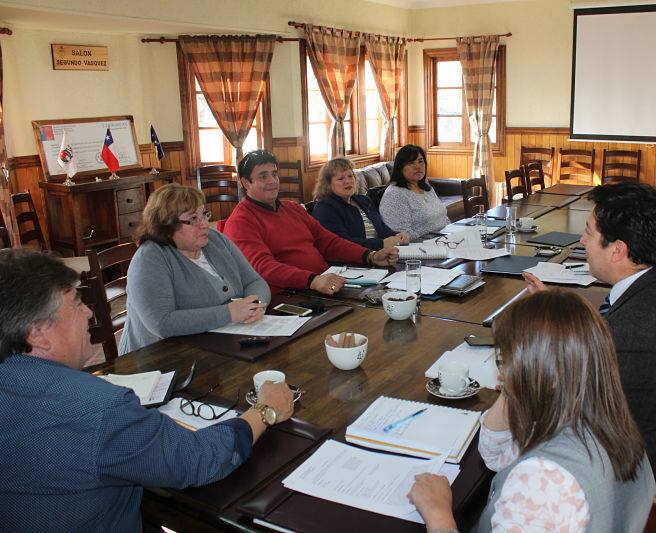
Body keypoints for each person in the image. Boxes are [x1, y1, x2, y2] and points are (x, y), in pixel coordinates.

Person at [0, 248, 294, 532]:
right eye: (76, 302)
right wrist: (264, 411)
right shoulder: (97, 409)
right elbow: (197, 460)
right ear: (37, 334)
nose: (89, 312)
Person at [408, 290, 656, 532]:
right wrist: (515, 384)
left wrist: (438, 513)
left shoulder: (543, 480)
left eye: (505, 362)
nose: (501, 373)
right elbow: (495, 456)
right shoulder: (602, 418)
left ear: (548, 375)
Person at [524, 182, 656, 490]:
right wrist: (562, 311)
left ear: (618, 249)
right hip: (642, 436)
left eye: (589, 233)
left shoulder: (634, 333)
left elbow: (562, 403)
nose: (582, 241)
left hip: (617, 471)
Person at [120, 184, 269, 354]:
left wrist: (256, 304)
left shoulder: (215, 240)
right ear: (166, 224)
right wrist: (228, 313)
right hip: (159, 361)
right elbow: (161, 323)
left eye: (204, 215)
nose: (204, 224)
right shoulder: (149, 259)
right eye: (193, 219)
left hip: (218, 347)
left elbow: (255, 280)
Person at [222, 150, 398, 295]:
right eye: (263, 176)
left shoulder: (292, 209)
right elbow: (263, 267)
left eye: (274, 174)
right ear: (246, 183)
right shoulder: (241, 221)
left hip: (324, 286)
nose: (272, 181)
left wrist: (370, 255)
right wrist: (312, 280)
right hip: (290, 297)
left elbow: (329, 242)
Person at [311, 157, 410, 250]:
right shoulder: (325, 208)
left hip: (380, 254)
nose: (347, 181)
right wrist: (381, 244)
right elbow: (342, 243)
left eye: (350, 176)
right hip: (353, 262)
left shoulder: (364, 200)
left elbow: (382, 230)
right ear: (328, 184)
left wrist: (397, 235)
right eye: (340, 179)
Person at [379, 144, 450, 239]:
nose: (418, 167)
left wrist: (452, 232)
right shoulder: (395, 194)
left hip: (445, 238)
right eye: (411, 163)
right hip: (422, 247)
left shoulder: (425, 185)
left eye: (421, 161)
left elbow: (443, 217)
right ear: (400, 168)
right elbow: (401, 235)